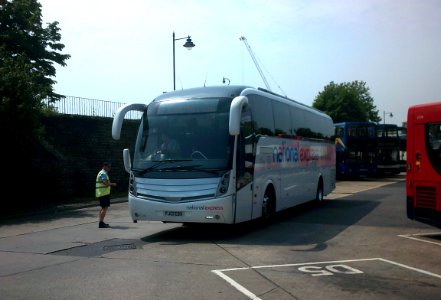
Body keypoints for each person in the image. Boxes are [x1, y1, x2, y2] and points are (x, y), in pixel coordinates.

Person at [95, 162, 117, 228]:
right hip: (103, 193)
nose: (110, 168)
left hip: (102, 193)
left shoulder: (103, 173)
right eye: (109, 167)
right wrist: (112, 184)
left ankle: (101, 222)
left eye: (110, 167)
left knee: (103, 208)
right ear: (104, 166)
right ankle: (101, 223)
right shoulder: (103, 173)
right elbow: (105, 182)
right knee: (104, 208)